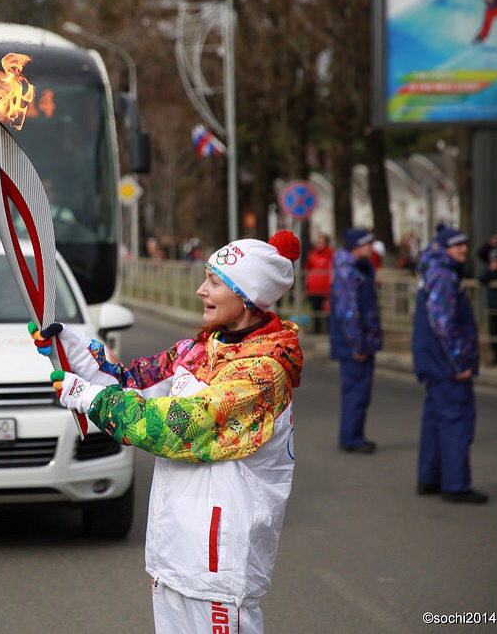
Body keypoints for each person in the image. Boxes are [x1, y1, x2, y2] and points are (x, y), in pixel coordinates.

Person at [33, 231, 302, 634]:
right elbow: (132, 381)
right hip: (173, 552)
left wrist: (92, 400)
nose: (201, 290)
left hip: (219, 564)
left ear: (245, 296)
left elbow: (178, 427)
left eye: (213, 282)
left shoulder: (262, 375)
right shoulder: (201, 348)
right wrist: (71, 347)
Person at [412, 226, 487, 504]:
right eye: (457, 246)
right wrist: (460, 363)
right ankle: (455, 485)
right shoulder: (444, 275)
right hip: (446, 364)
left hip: (433, 361)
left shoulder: (434, 271)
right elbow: (444, 324)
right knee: (456, 420)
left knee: (435, 419)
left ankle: (429, 478)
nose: (463, 250)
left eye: (465, 245)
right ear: (443, 249)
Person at [329, 228, 383, 454]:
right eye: (366, 244)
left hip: (361, 341)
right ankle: (351, 438)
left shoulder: (360, 268)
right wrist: (358, 345)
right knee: (356, 391)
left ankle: (355, 435)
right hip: (353, 344)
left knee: (360, 390)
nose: (370, 248)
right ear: (356, 246)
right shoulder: (347, 272)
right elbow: (348, 312)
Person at [478, 246, 497, 364]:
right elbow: (481, 278)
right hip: (493, 306)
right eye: (495, 259)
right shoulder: (490, 270)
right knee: (494, 332)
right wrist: (491, 269)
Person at [304, 232, 333, 333]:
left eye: (321, 242)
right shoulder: (312, 254)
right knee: (315, 310)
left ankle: (329, 330)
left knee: (327, 311)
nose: (319, 244)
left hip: (326, 288)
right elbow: (307, 268)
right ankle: (317, 329)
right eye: (318, 242)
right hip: (313, 288)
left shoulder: (330, 254)